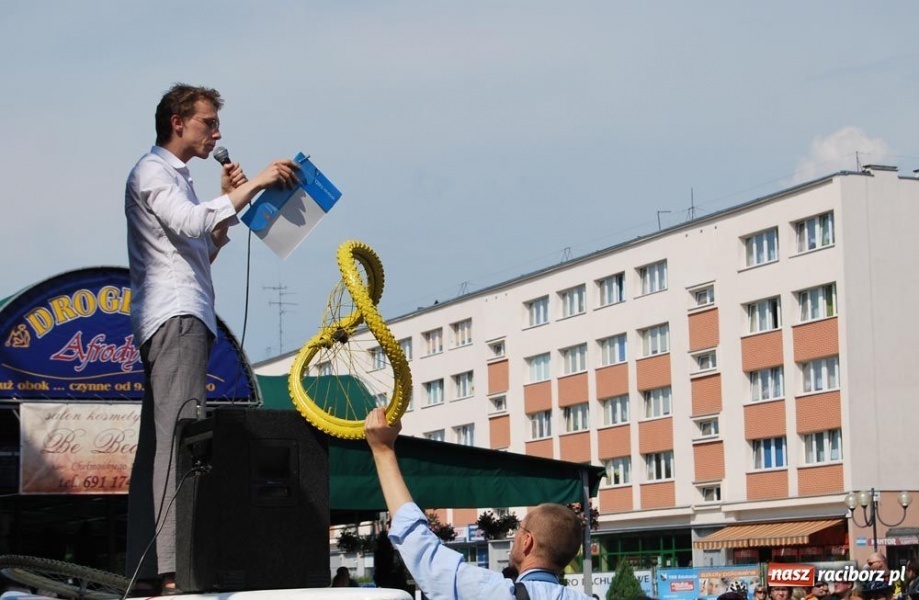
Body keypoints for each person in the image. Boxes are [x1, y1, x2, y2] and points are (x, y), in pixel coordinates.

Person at [124, 83, 299, 593]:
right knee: (179, 443)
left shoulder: (172, 178)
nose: (216, 133)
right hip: (176, 316)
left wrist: (230, 208)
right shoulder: (153, 171)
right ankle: (173, 568)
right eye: (208, 123)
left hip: (180, 313)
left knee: (162, 442)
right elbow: (189, 220)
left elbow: (200, 247)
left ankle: (152, 567)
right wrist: (249, 187)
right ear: (177, 122)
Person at [364, 407, 593, 599]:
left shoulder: (497, 593)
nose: (515, 537)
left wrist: (383, 451)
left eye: (519, 530)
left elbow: (423, 553)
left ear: (527, 541)